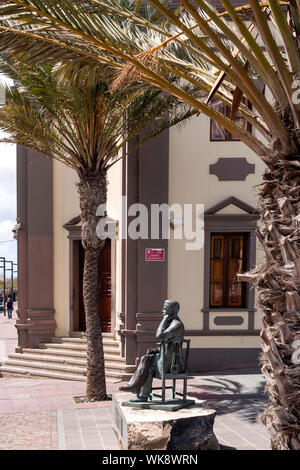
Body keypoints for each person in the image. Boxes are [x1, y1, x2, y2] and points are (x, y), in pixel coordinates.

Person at [120, 299, 184, 401]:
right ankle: (136, 388)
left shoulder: (176, 325)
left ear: (171, 311)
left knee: (147, 365)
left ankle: (139, 392)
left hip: (172, 364)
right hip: (165, 358)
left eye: (165, 308)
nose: (162, 311)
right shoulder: (171, 323)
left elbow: (159, 336)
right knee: (145, 359)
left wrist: (164, 319)